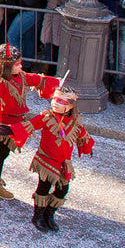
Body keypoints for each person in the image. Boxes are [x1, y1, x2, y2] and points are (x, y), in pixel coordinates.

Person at [0, 44, 58, 207]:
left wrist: (55, 82)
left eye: (20, 63)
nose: (20, 66)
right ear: (6, 67)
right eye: (16, 64)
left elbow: (38, 79)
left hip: (15, 124)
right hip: (0, 123)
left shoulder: (22, 77)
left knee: (3, 154)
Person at [24, 81, 94, 233]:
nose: (55, 103)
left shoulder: (74, 122)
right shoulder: (46, 117)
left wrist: (88, 145)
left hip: (64, 164)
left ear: (70, 106)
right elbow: (29, 125)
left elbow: (83, 135)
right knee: (43, 187)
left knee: (62, 190)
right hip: (47, 161)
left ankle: (50, 214)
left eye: (60, 101)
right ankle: (38, 216)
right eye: (54, 99)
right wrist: (11, 131)